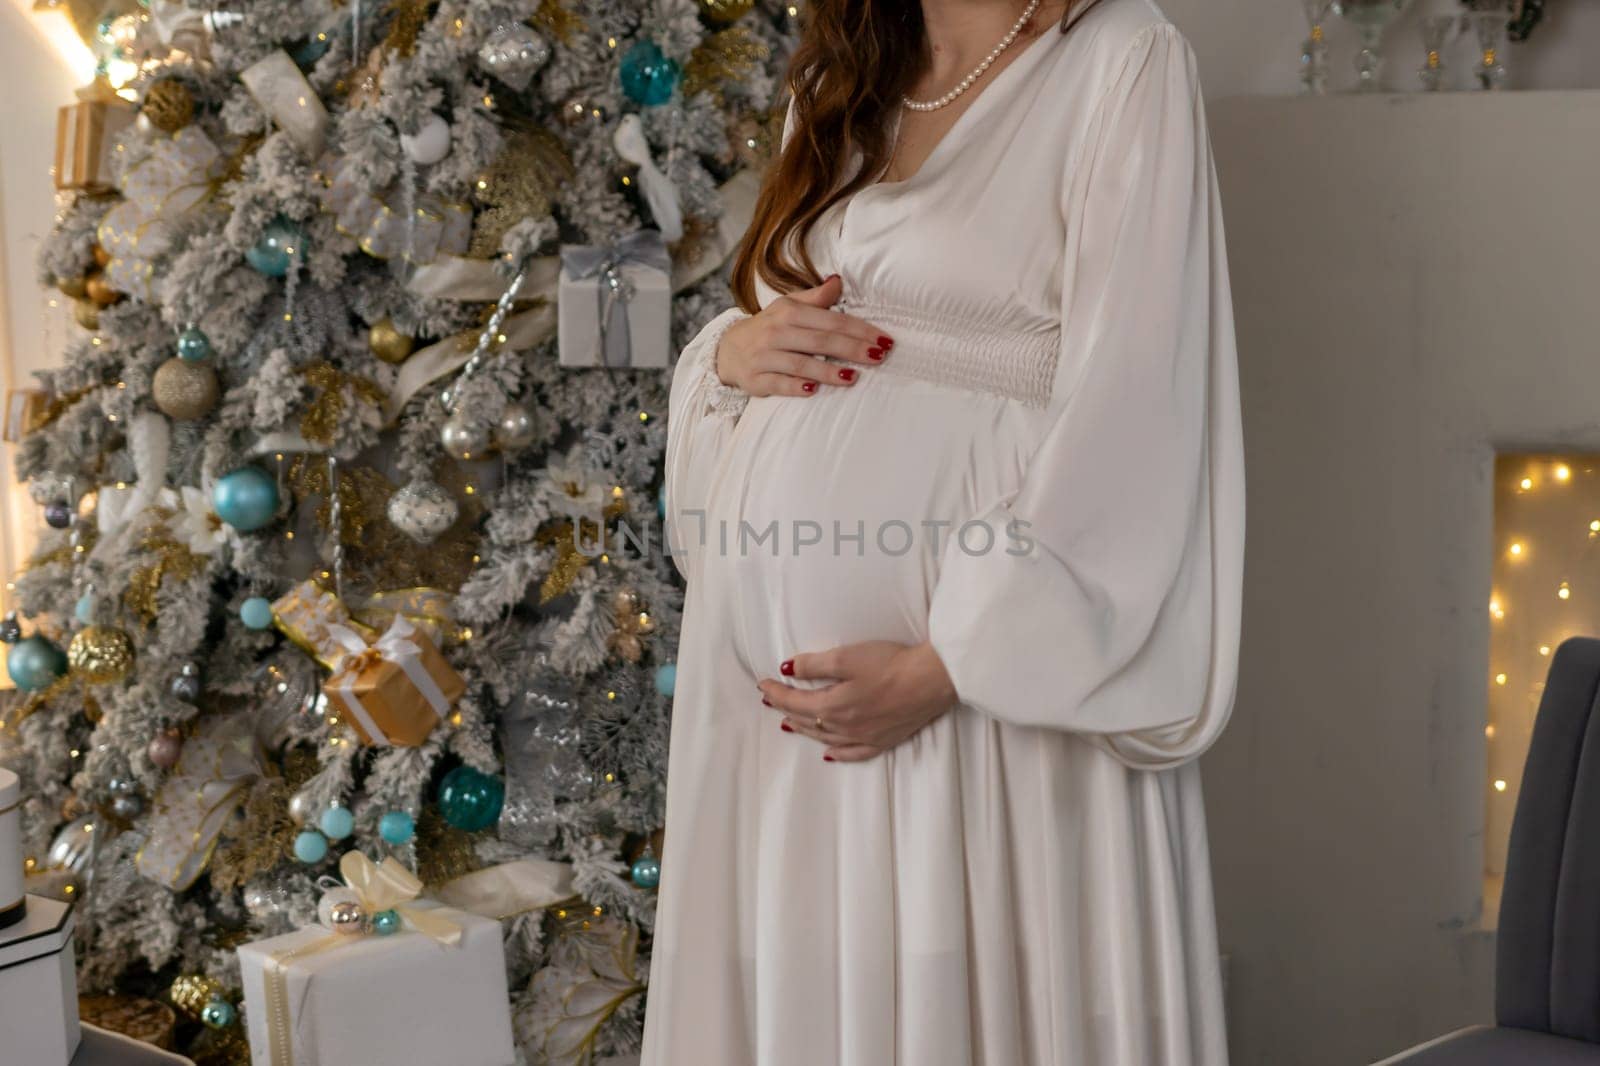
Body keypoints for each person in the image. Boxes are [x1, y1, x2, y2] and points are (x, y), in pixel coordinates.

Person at [642, 0, 1244, 1060]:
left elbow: (1139, 391)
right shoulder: (837, 72)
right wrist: (732, 357)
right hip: (782, 735)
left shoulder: (1119, 58)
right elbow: (782, 310)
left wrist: (948, 665)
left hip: (987, 702)